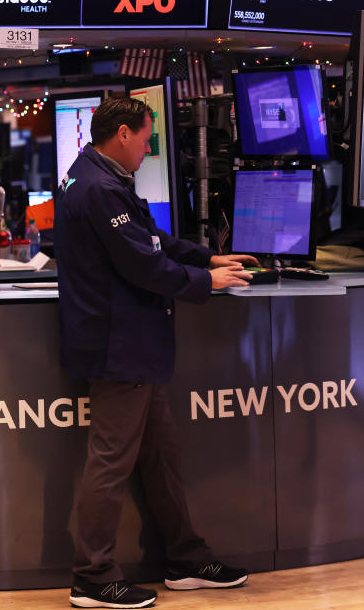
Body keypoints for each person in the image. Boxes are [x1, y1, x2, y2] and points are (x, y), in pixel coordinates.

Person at [54, 96, 255, 609]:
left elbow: (154, 241)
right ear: (122, 133)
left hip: (134, 347)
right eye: (145, 138)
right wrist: (206, 279)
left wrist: (207, 254)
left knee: (160, 457)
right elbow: (144, 265)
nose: (148, 149)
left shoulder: (94, 176)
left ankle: (186, 557)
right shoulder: (98, 188)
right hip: (118, 347)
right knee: (110, 463)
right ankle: (93, 576)